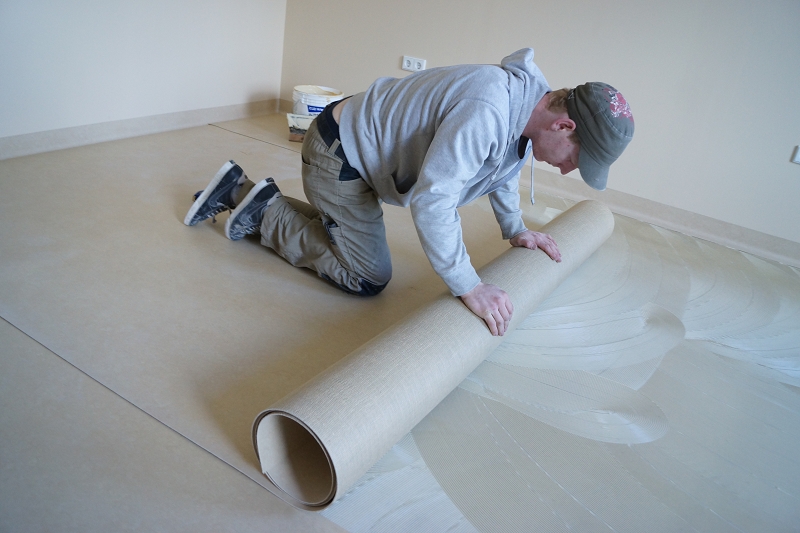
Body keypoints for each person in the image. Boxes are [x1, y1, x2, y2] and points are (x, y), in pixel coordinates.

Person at [184, 48, 634, 336]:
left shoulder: (528, 108)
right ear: (564, 126)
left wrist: (515, 228)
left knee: (351, 240)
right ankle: (256, 207)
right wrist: (470, 286)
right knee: (367, 276)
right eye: (577, 159)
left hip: (358, 152)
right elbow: (433, 201)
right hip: (338, 155)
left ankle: (256, 198)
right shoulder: (489, 109)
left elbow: (503, 168)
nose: (570, 170)